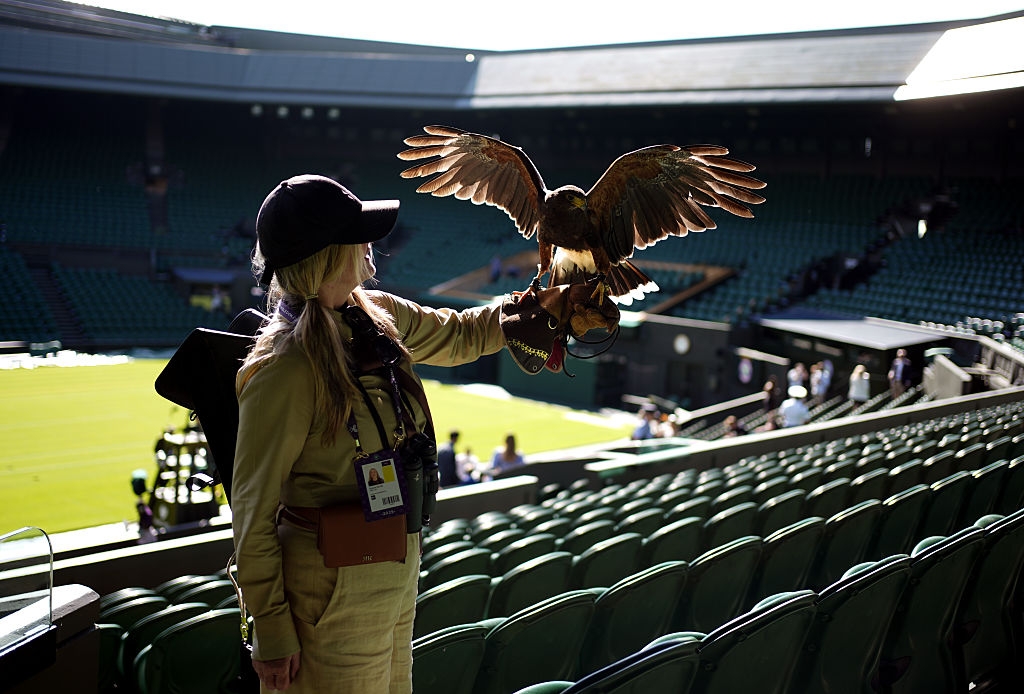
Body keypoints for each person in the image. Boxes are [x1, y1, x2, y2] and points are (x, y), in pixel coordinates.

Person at [231, 174, 508, 693]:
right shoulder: (284, 369)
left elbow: (460, 333)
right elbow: (252, 512)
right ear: (325, 255)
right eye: (358, 237)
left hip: (394, 566)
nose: (370, 247)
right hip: (327, 587)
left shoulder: (376, 317)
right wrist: (270, 627)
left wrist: (537, 312)